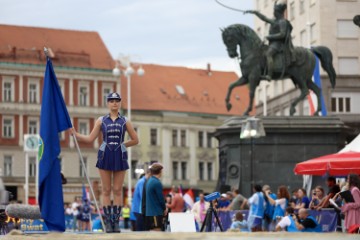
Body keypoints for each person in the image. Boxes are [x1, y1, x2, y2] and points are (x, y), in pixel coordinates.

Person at [72, 92, 139, 233]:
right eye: (111, 100)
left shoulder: (125, 121)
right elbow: (90, 138)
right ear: (107, 103)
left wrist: (123, 145)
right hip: (105, 155)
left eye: (117, 100)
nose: (114, 103)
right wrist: (76, 134)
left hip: (120, 155)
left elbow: (135, 139)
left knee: (118, 190)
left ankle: (116, 222)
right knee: (106, 190)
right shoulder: (101, 120)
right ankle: (108, 222)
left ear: (120, 103)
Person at [244, 2, 294, 80]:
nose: (273, 13)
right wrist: (255, 12)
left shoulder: (282, 22)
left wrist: (270, 36)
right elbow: (264, 18)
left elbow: (282, 34)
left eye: (275, 11)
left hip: (278, 44)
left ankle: (269, 75)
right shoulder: (275, 21)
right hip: (273, 43)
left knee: (268, 54)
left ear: (278, 12)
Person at [145, 163, 166, 231]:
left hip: (149, 212)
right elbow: (160, 198)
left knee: (152, 232)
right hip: (156, 212)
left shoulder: (149, 181)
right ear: (160, 171)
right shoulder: (157, 182)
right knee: (157, 232)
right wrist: (164, 208)